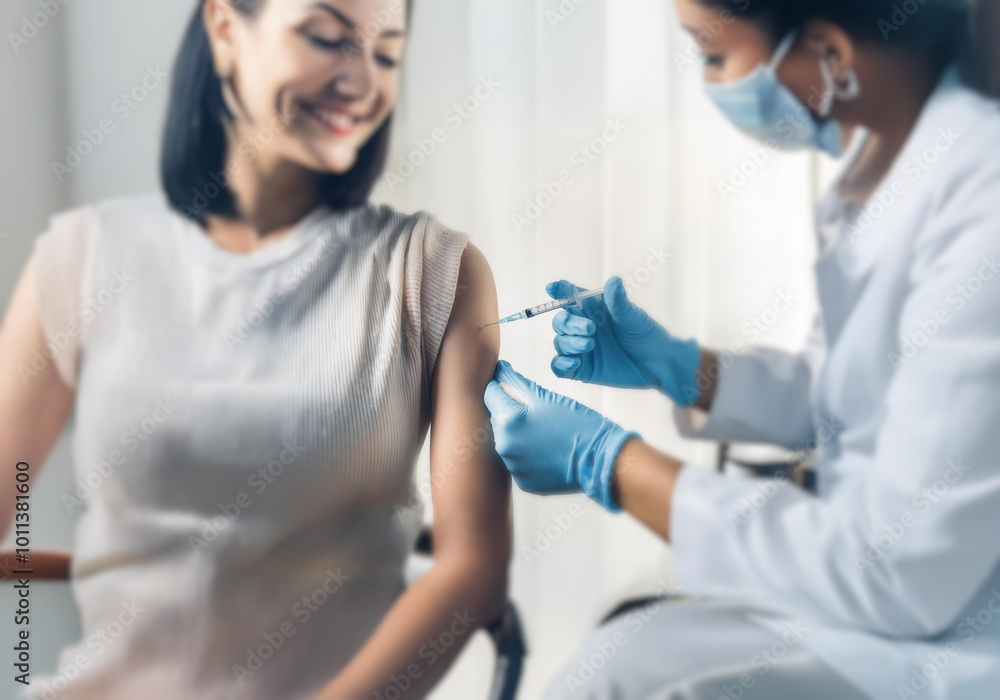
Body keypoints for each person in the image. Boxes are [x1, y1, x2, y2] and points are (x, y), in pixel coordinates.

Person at [485, 0, 1000, 698]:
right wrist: (679, 368)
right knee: (621, 658)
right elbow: (838, 390)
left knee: (623, 678)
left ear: (829, 53)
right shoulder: (878, 170)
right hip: (875, 598)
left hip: (950, 634)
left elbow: (900, 569)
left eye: (714, 56)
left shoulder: (983, 198)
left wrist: (609, 463)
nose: (710, 84)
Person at [0, 1, 511, 698]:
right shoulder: (82, 259)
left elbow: (472, 569)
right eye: (327, 38)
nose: (363, 83)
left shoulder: (431, 273)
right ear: (224, 29)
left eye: (386, 53)